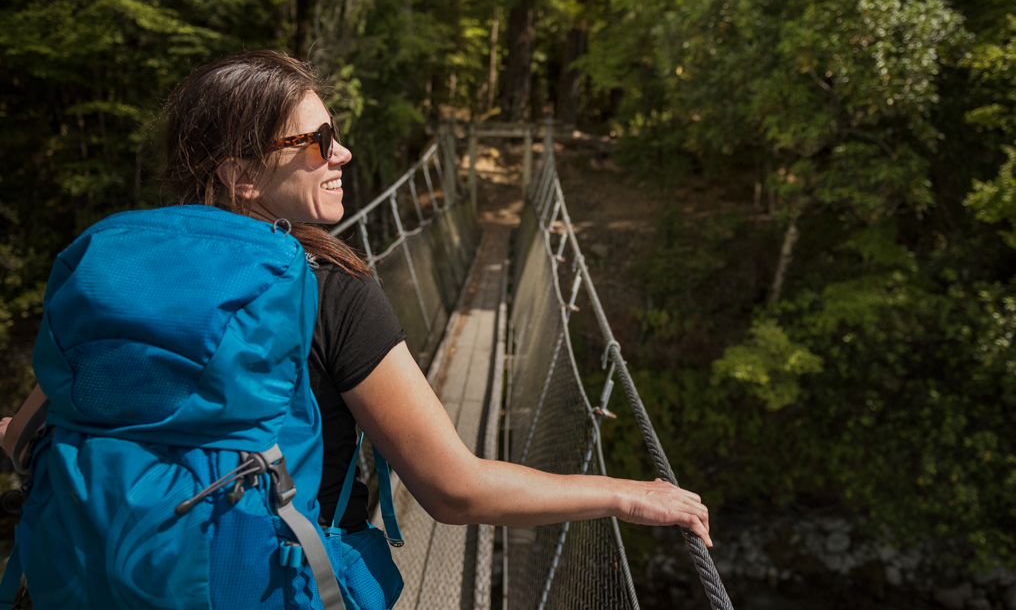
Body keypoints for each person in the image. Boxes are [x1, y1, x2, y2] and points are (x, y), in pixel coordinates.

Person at [1, 50, 710, 558]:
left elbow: (24, 437)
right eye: (317, 141)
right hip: (265, 579)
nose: (342, 153)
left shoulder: (111, 276)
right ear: (244, 175)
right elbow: (453, 490)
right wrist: (623, 494)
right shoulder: (325, 285)